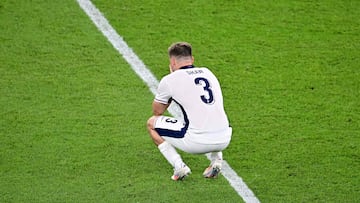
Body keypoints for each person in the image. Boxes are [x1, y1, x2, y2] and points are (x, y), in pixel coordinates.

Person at [146, 42, 232, 181]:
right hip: (225, 137)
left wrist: (170, 89)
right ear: (192, 59)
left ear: (172, 62)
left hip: (197, 142)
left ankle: (179, 167)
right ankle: (216, 160)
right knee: (209, 113)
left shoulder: (170, 80)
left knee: (151, 124)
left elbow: (157, 111)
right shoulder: (208, 72)